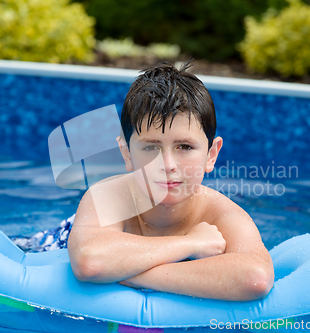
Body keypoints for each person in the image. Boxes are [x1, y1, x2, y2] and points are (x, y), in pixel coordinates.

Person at [66, 62, 274, 301]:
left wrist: (132, 274)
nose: (167, 164)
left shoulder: (221, 215)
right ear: (126, 153)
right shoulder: (108, 196)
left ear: (211, 155)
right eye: (151, 147)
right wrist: (192, 243)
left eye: (184, 147)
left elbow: (255, 278)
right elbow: (90, 261)